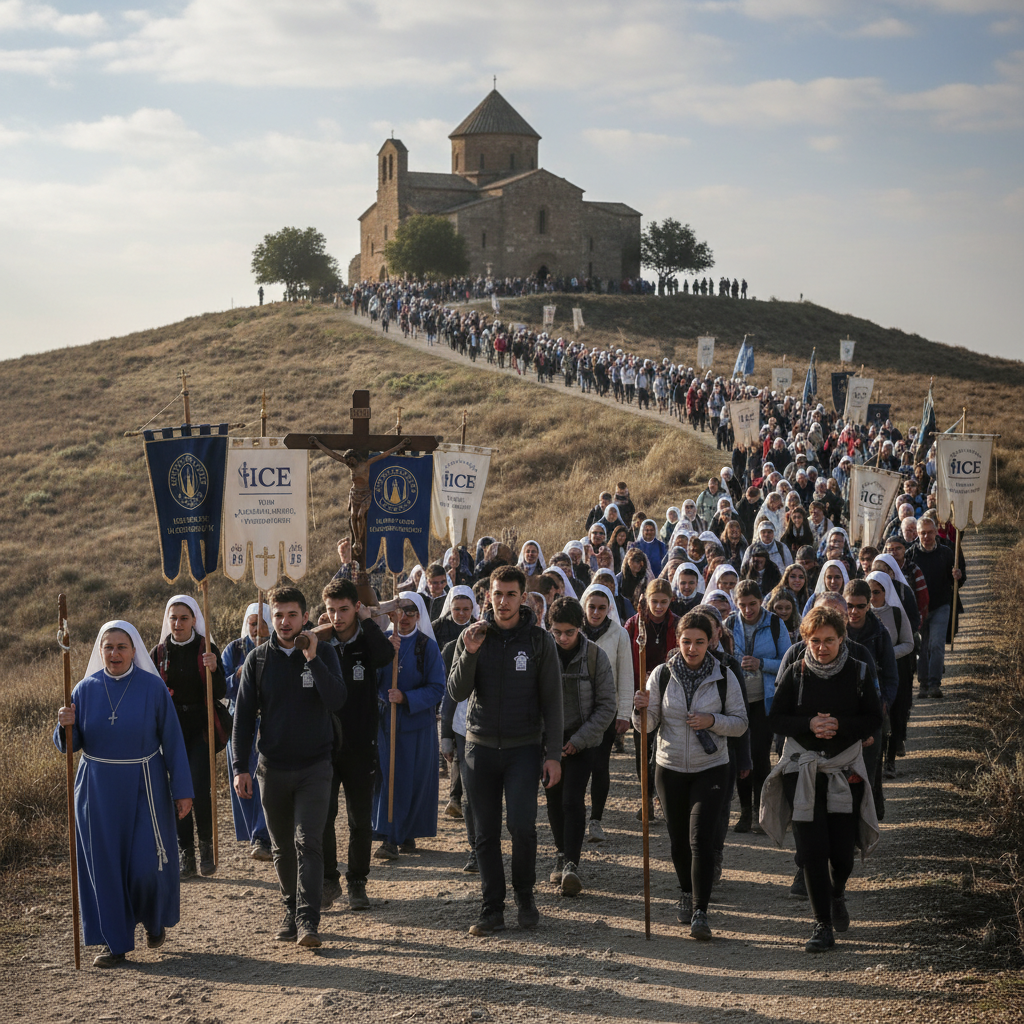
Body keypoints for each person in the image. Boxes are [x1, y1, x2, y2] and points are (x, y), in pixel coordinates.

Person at [55, 621, 193, 968]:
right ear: (100, 651)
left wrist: (183, 791)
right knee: (105, 867)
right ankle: (115, 943)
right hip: (97, 790)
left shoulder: (152, 688)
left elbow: (173, 741)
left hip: (145, 784)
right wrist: (65, 725)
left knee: (147, 864)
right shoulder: (84, 690)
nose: (114, 653)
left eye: (121, 647)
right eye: (108, 647)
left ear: (134, 651)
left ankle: (153, 918)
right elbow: (70, 747)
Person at [448, 565, 564, 936]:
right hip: (479, 748)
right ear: (488, 597)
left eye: (511, 594)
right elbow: (456, 691)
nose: (503, 601)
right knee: (484, 832)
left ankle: (525, 897)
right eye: (497, 594)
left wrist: (554, 754)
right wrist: (468, 653)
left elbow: (553, 703)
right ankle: (491, 907)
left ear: (524, 597)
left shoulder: (538, 641)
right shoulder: (474, 636)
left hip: (523, 749)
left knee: (522, 826)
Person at [763, 605, 882, 953]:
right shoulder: (795, 673)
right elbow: (776, 718)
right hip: (802, 771)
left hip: (845, 771)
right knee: (813, 851)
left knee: (842, 855)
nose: (822, 647)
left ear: (841, 638)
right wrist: (810, 725)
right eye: (815, 641)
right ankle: (821, 924)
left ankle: (837, 893)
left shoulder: (858, 672)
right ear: (805, 640)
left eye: (829, 640)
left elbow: (874, 718)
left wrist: (841, 726)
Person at [231, 585, 346, 949]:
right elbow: (244, 718)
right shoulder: (258, 660)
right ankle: (290, 908)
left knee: (308, 843)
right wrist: (239, 767)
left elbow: (338, 699)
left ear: (306, 617)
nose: (283, 622)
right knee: (282, 848)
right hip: (272, 769)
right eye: (277, 615)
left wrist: (312, 658)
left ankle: (308, 920)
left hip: (316, 766)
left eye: (291, 615)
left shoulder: (324, 652)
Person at [632, 611, 747, 940]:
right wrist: (639, 709)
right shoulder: (661, 675)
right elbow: (649, 726)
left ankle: (700, 910)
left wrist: (712, 720)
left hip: (711, 767)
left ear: (711, 641)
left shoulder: (724, 675)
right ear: (677, 641)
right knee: (679, 840)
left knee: (701, 841)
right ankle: (685, 891)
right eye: (686, 642)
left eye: (699, 642)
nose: (692, 648)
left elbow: (740, 723)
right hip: (669, 768)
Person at [319, 579, 396, 912]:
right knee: (323, 816)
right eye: (331, 611)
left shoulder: (368, 642)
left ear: (356, 608)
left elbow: (385, 656)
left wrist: (368, 621)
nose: (337, 617)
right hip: (323, 745)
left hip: (361, 744)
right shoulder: (319, 644)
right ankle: (328, 880)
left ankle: (358, 882)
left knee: (359, 819)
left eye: (344, 610)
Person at [544, 597, 616, 895]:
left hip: (583, 741)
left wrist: (579, 740)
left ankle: (572, 864)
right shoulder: (541, 654)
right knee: (553, 799)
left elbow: (607, 705)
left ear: (579, 628)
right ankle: (560, 852)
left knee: (573, 799)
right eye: (557, 632)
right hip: (549, 741)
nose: (563, 638)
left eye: (569, 632)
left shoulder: (596, 657)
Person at [151, 595, 226, 879]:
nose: (178, 623)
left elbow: (219, 692)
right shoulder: (159, 653)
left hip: (201, 729)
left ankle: (206, 847)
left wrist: (214, 668)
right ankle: (186, 853)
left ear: (195, 620)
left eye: (184, 618)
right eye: (173, 618)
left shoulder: (206, 649)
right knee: (176, 790)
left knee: (198, 787)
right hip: (171, 730)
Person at [372, 592, 446, 859]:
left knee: (411, 780)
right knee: (389, 779)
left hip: (416, 724)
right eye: (398, 612)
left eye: (410, 612)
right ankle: (389, 838)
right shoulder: (382, 642)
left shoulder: (427, 646)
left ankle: (407, 832)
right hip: (385, 723)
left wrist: (405, 697)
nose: (403, 618)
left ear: (419, 616)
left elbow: (438, 687)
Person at [726, 580, 791, 833]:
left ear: (761, 600)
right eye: (742, 605)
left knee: (760, 756)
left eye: (752, 604)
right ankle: (744, 812)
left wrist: (761, 663)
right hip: (738, 701)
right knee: (742, 757)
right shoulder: (730, 624)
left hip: (765, 701)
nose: (748, 610)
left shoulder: (775, 624)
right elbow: (722, 657)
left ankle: (761, 814)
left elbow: (787, 660)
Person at [580, 583, 634, 842]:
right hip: (575, 710)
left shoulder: (619, 634)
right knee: (577, 767)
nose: (596, 612)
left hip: (605, 710)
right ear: (584, 606)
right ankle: (575, 816)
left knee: (600, 765)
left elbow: (626, 674)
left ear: (609, 608)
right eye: (592, 607)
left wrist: (624, 712)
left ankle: (596, 820)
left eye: (602, 608)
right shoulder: (573, 630)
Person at [222, 602, 273, 861]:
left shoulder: (278, 646)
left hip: (269, 725)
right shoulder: (235, 649)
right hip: (241, 724)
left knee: (266, 778)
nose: (257, 629)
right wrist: (238, 675)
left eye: (262, 623)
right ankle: (255, 833)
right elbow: (222, 687)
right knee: (245, 779)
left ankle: (263, 835)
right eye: (253, 623)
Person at [907, 516, 964, 699]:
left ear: (935, 532)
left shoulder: (947, 553)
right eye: (923, 533)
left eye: (930, 532)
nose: (926, 536)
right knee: (922, 647)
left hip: (941, 605)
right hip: (919, 608)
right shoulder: (911, 555)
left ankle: (934, 684)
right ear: (917, 533)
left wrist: (957, 575)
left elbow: (958, 581)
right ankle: (923, 684)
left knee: (937, 645)